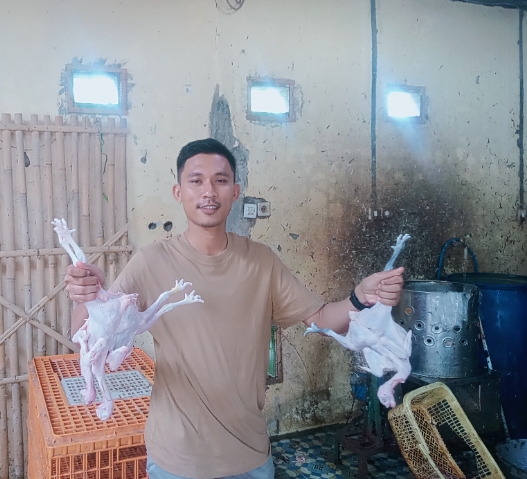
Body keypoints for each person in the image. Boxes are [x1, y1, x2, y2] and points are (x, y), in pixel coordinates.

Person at [63, 138, 405, 479]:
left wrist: (360, 297)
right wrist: (87, 297)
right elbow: (87, 335)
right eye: (196, 180)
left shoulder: (262, 261)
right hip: (176, 457)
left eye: (220, 180)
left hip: (248, 456)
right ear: (178, 192)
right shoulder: (150, 262)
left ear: (235, 191)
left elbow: (322, 319)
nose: (208, 191)